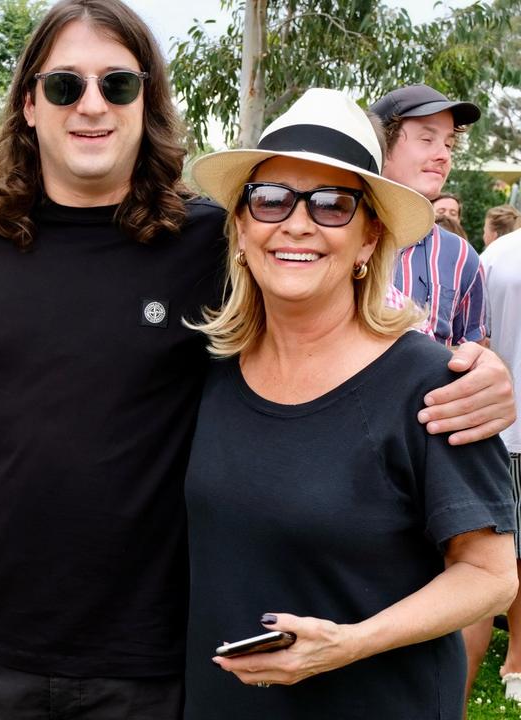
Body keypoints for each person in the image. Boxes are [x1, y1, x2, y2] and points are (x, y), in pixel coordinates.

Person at [0, 2, 516, 717]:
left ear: (148, 101)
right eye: (66, 86)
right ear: (29, 104)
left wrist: (485, 376)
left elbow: (323, 312)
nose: (93, 105)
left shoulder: (203, 241)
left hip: (151, 662)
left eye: (119, 85)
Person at [184, 87, 517, 719]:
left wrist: (349, 644)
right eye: (272, 198)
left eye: (334, 204)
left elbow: (489, 575)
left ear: (369, 240)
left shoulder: (432, 384)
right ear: (241, 228)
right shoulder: (209, 372)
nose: (298, 222)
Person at [371, 85, 487, 347]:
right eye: (427, 140)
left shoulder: (461, 257)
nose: (443, 155)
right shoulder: (333, 237)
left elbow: (473, 352)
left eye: (449, 144)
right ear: (381, 146)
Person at [470, 216, 521, 703]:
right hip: (502, 430)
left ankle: (515, 661)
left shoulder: (495, 255)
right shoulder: (496, 256)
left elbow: (478, 341)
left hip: (498, 430)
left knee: (495, 555)